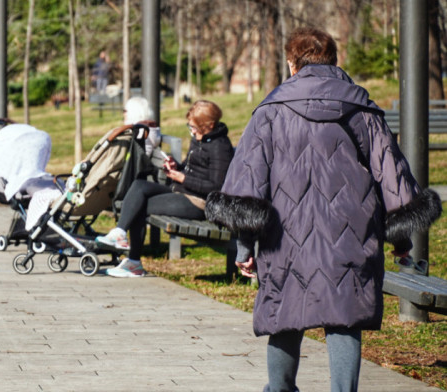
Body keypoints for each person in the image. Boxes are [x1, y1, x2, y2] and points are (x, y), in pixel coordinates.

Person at [204, 27, 442, 392]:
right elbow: (391, 175)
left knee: (284, 315)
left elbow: (247, 184)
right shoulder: (361, 108)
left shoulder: (269, 111)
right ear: (333, 61)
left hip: (284, 236)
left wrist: (244, 246)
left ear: (292, 64)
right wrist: (402, 240)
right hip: (350, 232)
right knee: (344, 316)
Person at [97, 100, 234, 277]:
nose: (192, 131)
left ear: (209, 125)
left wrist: (183, 178)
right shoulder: (199, 139)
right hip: (183, 191)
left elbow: (216, 187)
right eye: (190, 126)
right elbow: (190, 168)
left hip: (198, 202)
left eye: (195, 127)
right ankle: (121, 234)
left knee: (139, 205)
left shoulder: (220, 147)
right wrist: (176, 167)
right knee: (139, 186)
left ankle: (133, 262)